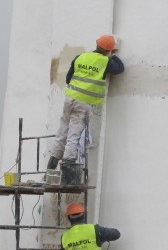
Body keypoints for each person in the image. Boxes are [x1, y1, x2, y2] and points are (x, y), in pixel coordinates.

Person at [47, 35, 124, 170]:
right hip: (84, 103)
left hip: (70, 99)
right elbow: (120, 68)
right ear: (109, 50)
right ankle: (68, 168)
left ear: (97, 45)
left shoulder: (80, 57)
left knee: (62, 133)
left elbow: (68, 79)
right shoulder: (105, 61)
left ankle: (50, 169)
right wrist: (114, 55)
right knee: (73, 135)